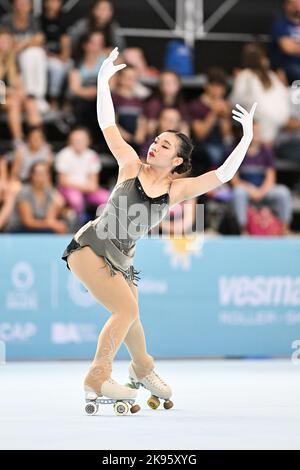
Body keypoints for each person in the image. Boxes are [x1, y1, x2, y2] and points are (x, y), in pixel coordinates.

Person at [61, 47, 257, 411]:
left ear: (178, 161)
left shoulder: (176, 190)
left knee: (133, 315)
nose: (155, 145)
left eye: (164, 144)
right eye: (156, 140)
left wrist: (245, 138)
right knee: (125, 312)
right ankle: (98, 376)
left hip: (122, 259)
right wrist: (103, 81)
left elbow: (223, 175)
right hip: (90, 248)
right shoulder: (129, 164)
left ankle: (142, 368)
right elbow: (107, 123)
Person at [231, 121, 292, 234]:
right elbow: (234, 180)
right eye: (254, 132)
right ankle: (243, 229)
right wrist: (251, 190)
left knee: (283, 192)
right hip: (246, 189)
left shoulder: (266, 151)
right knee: (238, 192)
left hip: (264, 190)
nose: (257, 134)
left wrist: (260, 192)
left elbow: (271, 178)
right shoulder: (235, 150)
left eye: (258, 132)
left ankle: (284, 228)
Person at [230, 43, 290, 145]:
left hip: (263, 120)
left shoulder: (245, 75)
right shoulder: (272, 75)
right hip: (279, 119)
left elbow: (234, 101)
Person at [0, 0, 49, 113]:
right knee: (14, 102)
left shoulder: (33, 19)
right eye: (18, 4)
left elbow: (40, 38)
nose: (21, 7)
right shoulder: (6, 21)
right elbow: (3, 40)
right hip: (6, 59)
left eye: (24, 4)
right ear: (14, 6)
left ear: (30, 6)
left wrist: (22, 45)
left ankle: (36, 96)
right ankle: (29, 96)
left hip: (16, 59)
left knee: (36, 53)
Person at [55, 126, 110, 224]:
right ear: (70, 141)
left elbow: (94, 183)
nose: (79, 142)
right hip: (69, 189)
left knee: (106, 197)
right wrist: (82, 187)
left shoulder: (92, 155)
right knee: (76, 200)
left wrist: (89, 187)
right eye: (76, 140)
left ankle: (101, 225)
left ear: (88, 141)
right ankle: (78, 226)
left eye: (81, 140)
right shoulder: (64, 155)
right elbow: (62, 181)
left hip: (88, 189)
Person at [0, 27, 42, 147]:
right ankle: (18, 140)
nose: (4, 45)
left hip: (11, 97)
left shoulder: (13, 60)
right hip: (3, 97)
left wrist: (21, 93)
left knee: (30, 103)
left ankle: (38, 138)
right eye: (2, 41)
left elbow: (18, 83)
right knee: (14, 103)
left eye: (7, 42)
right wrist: (12, 92)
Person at [189, 67, 232, 168]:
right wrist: (213, 112)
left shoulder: (225, 105)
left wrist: (224, 116)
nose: (218, 91)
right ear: (207, 86)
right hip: (202, 147)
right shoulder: (196, 105)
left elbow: (227, 136)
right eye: (215, 86)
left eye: (221, 87)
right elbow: (200, 135)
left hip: (220, 145)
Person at [10, 161, 67, 233]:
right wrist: (51, 224)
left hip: (40, 228)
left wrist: (53, 223)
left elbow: (50, 218)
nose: (42, 176)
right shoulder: (24, 192)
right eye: (39, 173)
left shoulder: (50, 192)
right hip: (21, 229)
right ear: (32, 175)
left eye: (45, 173)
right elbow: (28, 222)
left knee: (60, 228)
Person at [40, 0, 72, 107]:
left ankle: (68, 101)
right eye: (50, 1)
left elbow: (66, 43)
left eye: (56, 1)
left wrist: (63, 56)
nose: (53, 4)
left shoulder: (64, 20)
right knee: (56, 67)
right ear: (45, 3)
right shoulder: (39, 20)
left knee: (71, 67)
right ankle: (53, 99)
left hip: (60, 56)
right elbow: (38, 41)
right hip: (43, 56)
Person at [271, 0, 300, 84]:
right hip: (288, 67)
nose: (297, 7)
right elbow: (288, 48)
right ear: (286, 6)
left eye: (299, 3)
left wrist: (295, 44)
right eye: (293, 4)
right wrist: (293, 46)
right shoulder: (280, 25)